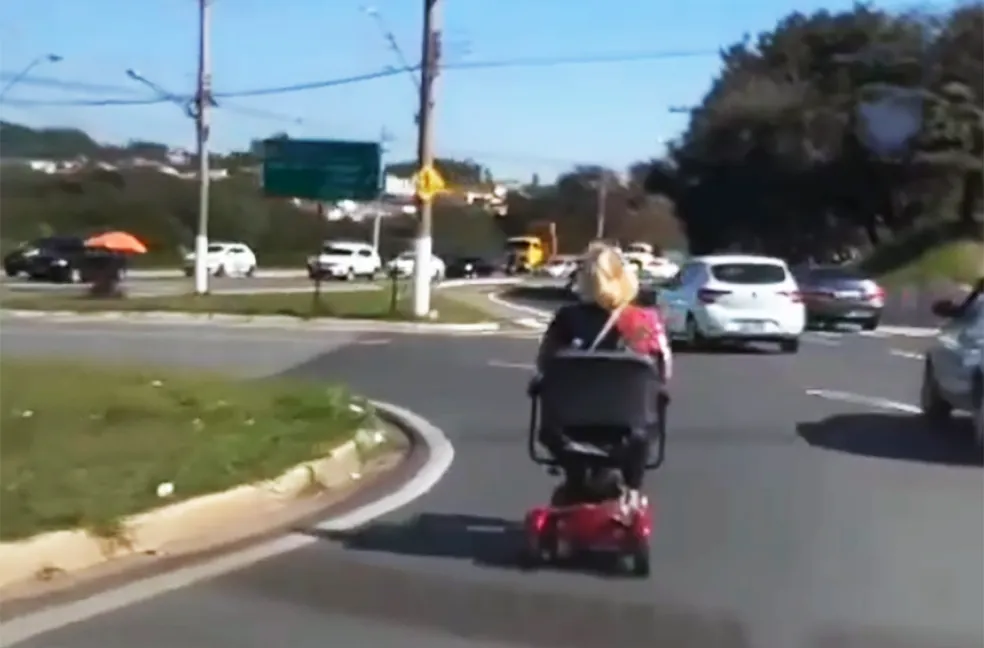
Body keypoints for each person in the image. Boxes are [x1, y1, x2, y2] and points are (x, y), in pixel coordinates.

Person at [534, 241, 672, 508]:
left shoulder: (567, 319)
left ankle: (576, 480)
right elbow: (663, 372)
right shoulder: (646, 321)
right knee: (644, 430)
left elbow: (544, 364)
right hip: (631, 427)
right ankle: (632, 489)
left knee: (551, 432)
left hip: (568, 426)